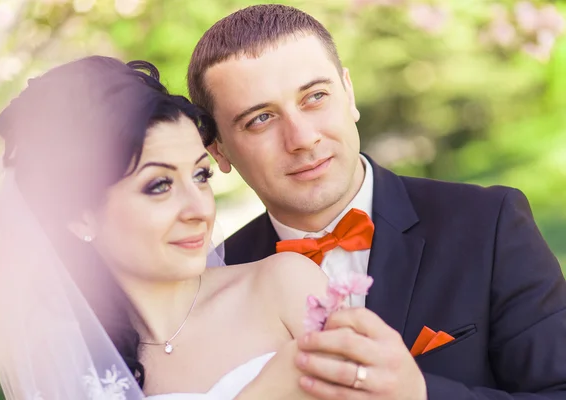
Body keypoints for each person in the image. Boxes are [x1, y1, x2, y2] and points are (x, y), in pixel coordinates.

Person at [187, 4, 566, 399]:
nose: (302, 137)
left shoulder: (489, 225)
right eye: (260, 119)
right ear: (218, 150)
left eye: (315, 97)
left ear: (348, 93)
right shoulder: (213, 278)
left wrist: (420, 393)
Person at [0, 55, 356, 399]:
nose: (199, 209)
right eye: (160, 185)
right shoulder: (70, 362)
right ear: (80, 216)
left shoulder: (285, 285)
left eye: (201, 176)